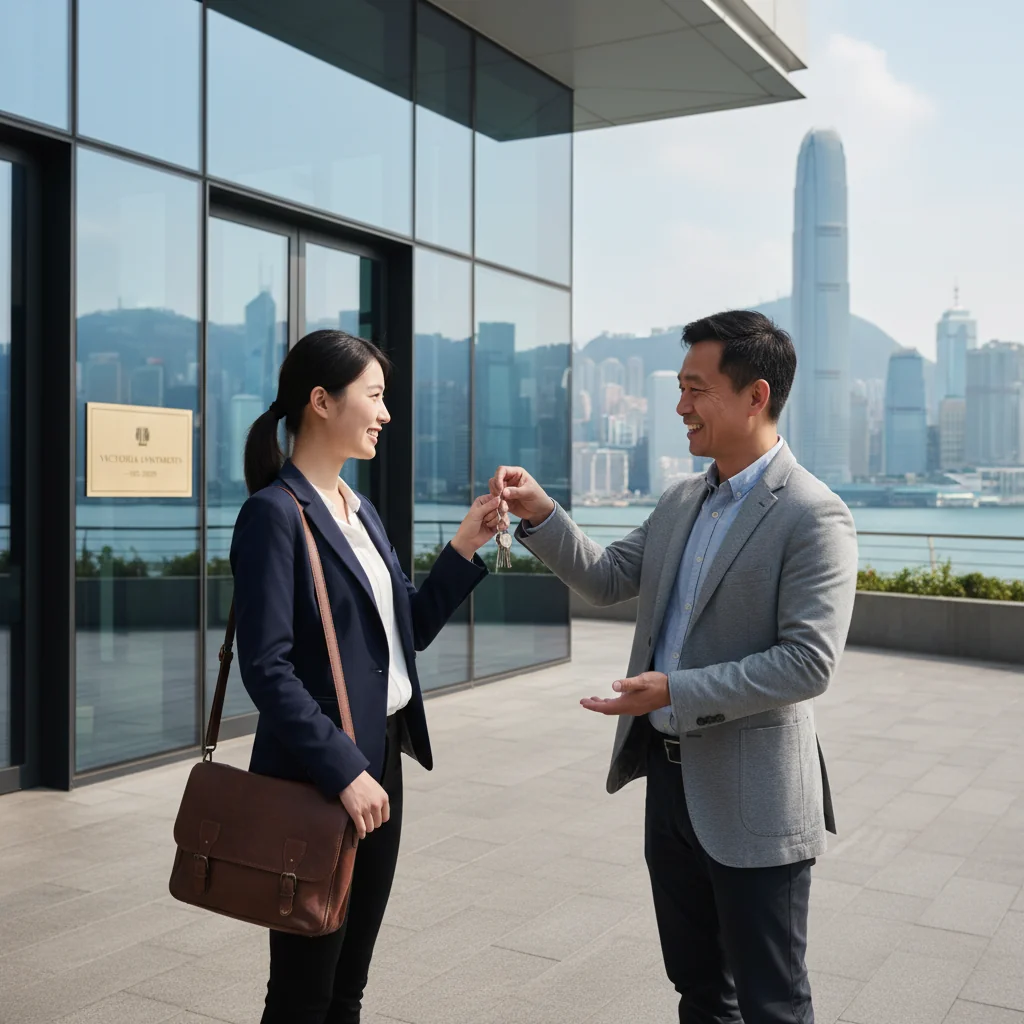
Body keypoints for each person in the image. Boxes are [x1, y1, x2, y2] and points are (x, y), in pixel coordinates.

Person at [491, 310, 858, 1023]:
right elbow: (606, 577)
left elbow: (808, 663)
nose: (681, 405)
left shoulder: (813, 514)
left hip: (755, 799)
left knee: (773, 1002)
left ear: (755, 396)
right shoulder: (682, 499)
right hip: (670, 787)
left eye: (696, 388)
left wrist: (674, 691)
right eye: (681, 388)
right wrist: (541, 513)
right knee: (699, 991)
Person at [231, 330, 509, 1024]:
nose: (386, 414)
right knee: (303, 992)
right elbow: (266, 667)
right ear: (322, 402)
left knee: (349, 984)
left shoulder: (360, 509)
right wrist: (342, 771)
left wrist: (463, 548)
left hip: (380, 760)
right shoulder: (273, 514)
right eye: (375, 396)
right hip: (320, 775)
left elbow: (404, 633)